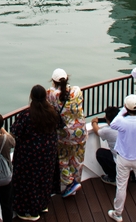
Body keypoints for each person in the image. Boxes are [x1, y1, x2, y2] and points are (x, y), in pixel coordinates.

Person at [10, 85, 60, 221]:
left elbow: (15, 131)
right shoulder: (52, 112)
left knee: (28, 181)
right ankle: (42, 204)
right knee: (44, 177)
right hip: (48, 152)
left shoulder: (27, 115)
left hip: (30, 154)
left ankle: (30, 211)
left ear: (31, 97)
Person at [106, 94, 136, 222]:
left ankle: (118, 213)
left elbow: (113, 124)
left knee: (121, 186)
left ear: (126, 108)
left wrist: (123, 110)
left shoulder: (121, 121)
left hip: (123, 158)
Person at [46, 68, 86, 197]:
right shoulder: (77, 90)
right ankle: (76, 182)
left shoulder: (51, 94)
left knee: (63, 159)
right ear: (67, 78)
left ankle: (70, 183)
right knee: (78, 158)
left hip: (64, 134)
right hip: (80, 131)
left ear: (53, 81)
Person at [91, 106, 120, 184]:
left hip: (121, 162)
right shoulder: (126, 124)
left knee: (100, 153)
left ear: (108, 119)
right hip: (134, 159)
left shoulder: (108, 130)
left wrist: (94, 122)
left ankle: (112, 177)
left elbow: (97, 131)